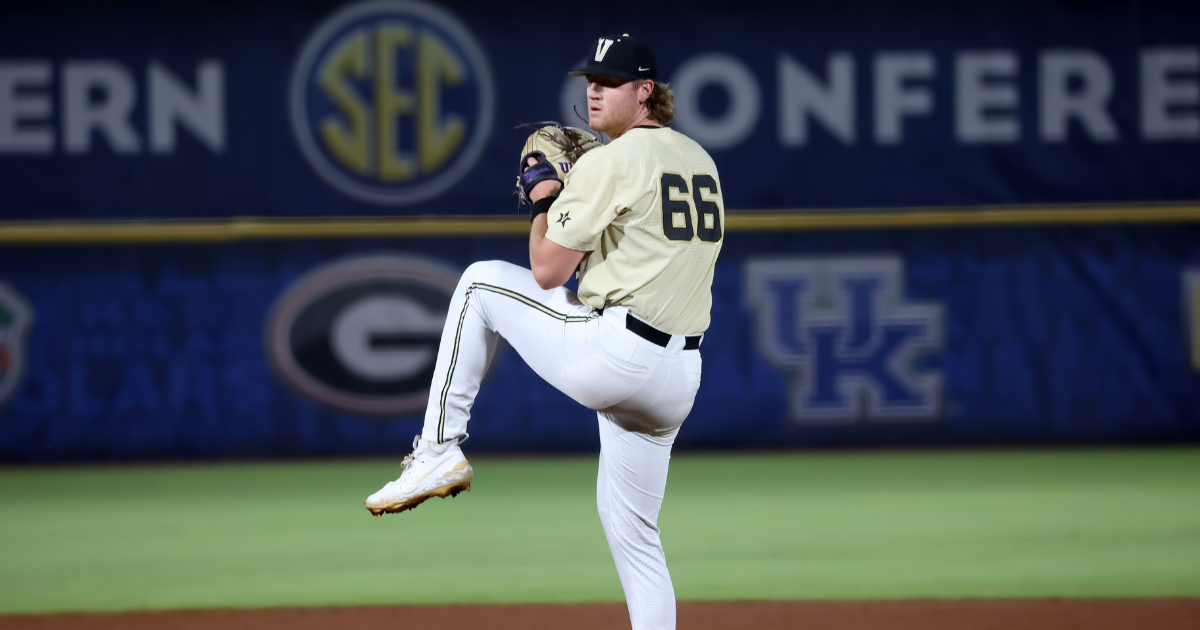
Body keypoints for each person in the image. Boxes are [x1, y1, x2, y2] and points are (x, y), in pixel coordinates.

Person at [365, 33, 724, 630]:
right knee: (636, 539)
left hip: (619, 355)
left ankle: (436, 452)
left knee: (481, 283)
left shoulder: (612, 161)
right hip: (679, 379)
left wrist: (546, 196)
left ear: (646, 92)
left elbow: (547, 269)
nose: (594, 89)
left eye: (610, 82)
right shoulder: (699, 160)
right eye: (591, 79)